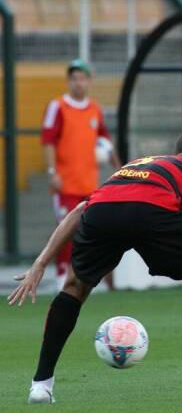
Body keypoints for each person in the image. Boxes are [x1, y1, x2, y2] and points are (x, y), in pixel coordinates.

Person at [8, 131, 182, 403]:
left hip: (103, 213)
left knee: (73, 287)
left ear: (175, 152)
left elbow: (81, 209)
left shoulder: (138, 164)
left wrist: (40, 262)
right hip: (154, 211)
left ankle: (41, 386)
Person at [41, 59, 121, 291]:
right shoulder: (57, 106)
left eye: (83, 78)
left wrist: (119, 167)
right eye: (74, 78)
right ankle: (60, 280)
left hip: (90, 185)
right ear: (69, 81)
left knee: (93, 233)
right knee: (65, 233)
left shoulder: (94, 108)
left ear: (90, 81)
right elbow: (47, 141)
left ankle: (96, 280)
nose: (78, 83)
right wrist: (51, 171)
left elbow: (104, 140)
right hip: (65, 184)